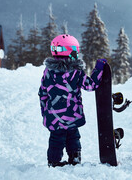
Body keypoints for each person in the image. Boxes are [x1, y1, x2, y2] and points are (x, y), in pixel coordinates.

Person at [38, 34, 107, 167]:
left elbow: (42, 93)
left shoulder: (48, 72)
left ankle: (53, 161)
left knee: (56, 139)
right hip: (72, 115)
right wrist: (98, 69)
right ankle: (75, 158)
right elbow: (91, 85)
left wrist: (45, 111)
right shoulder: (76, 72)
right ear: (71, 51)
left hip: (54, 116)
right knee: (73, 137)